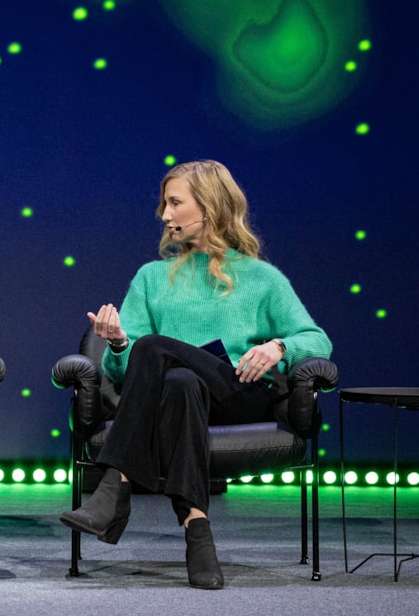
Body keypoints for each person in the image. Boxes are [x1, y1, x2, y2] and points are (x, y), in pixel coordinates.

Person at [60, 160, 332, 590]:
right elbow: (124, 370)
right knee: (179, 381)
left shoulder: (262, 279)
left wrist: (280, 346)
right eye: (164, 204)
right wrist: (115, 344)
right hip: (175, 405)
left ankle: (116, 484)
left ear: (208, 207)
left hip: (239, 395)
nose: (164, 215)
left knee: (152, 346)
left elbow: (317, 340)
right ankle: (198, 533)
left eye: (174, 203)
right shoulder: (151, 278)